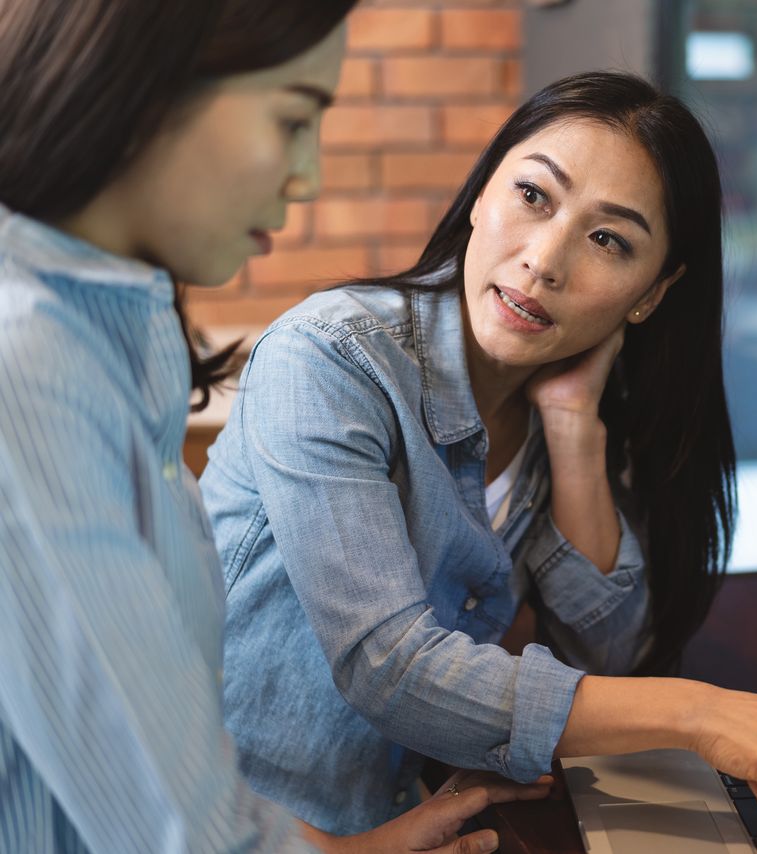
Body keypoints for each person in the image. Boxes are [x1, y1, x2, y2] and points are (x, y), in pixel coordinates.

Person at [200, 70, 757, 836]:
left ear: (651, 293)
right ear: (484, 190)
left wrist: (569, 428)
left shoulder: (561, 398)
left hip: (410, 814)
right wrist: (700, 713)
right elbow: (389, 666)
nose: (546, 260)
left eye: (607, 240)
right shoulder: (330, 358)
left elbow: (607, 658)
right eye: (534, 196)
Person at [0, 1, 549, 851]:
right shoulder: (27, 364)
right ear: (147, 90)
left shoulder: (122, 322)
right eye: (294, 118)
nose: (307, 178)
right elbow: (176, 829)